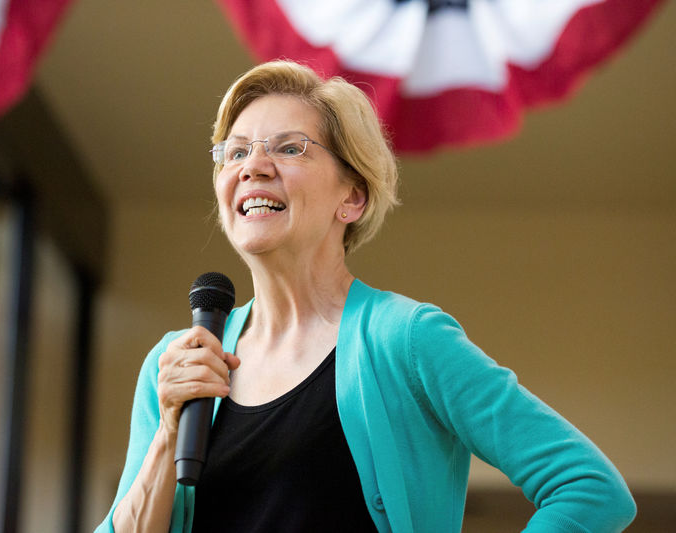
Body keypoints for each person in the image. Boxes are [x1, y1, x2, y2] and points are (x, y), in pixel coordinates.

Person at [96, 60, 636, 533]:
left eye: (289, 148)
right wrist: (167, 433)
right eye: (234, 152)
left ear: (352, 197)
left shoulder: (407, 339)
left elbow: (589, 488)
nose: (252, 166)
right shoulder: (178, 363)